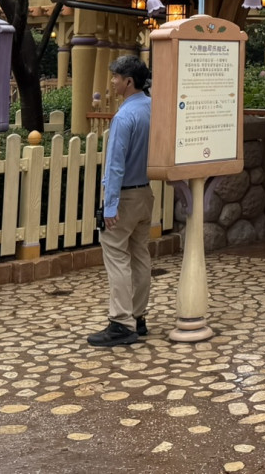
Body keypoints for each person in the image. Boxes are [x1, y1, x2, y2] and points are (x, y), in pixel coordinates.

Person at [88, 55, 153, 347]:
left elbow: (115, 165)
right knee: (140, 255)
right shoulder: (153, 109)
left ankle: (121, 321)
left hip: (125, 195)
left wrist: (110, 205)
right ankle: (138, 317)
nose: (112, 82)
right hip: (145, 193)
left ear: (128, 81)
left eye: (115, 77)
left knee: (116, 257)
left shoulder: (124, 117)